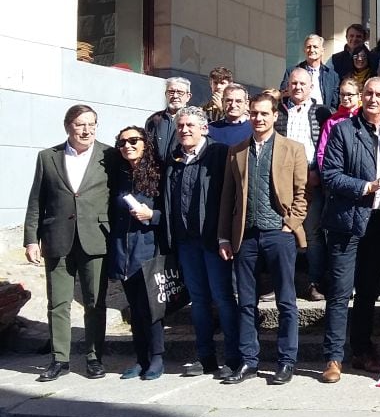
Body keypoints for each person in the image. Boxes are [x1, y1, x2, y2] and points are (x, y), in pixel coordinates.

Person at [320, 77, 380, 381]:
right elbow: (329, 175)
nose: (372, 98)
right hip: (347, 222)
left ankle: (362, 350)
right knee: (340, 292)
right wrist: (366, 186)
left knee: (368, 292)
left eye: (378, 95)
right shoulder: (344, 130)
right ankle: (333, 357)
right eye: (368, 93)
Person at [218, 92, 309, 385]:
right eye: (254, 113)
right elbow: (227, 197)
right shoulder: (237, 151)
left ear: (274, 116)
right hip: (245, 236)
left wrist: (291, 223)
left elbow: (301, 194)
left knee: (286, 301)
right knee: (246, 302)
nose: (258, 118)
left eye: (264, 114)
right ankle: (248, 361)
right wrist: (223, 237)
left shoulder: (292, 149)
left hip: (279, 235)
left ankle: (286, 361)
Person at [24, 105, 116, 382]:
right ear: (68, 127)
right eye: (80, 125)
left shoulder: (109, 155)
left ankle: (94, 357)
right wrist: (31, 240)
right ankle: (59, 359)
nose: (87, 130)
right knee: (58, 303)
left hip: (96, 237)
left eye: (92, 124)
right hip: (57, 238)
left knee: (94, 301)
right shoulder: (47, 157)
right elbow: (36, 202)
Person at [162, 106, 239, 380]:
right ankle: (205, 357)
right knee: (198, 301)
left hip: (214, 242)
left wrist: (225, 236)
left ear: (204, 128)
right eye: (180, 126)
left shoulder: (219, 154)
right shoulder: (174, 159)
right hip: (186, 242)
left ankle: (233, 358)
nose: (184, 130)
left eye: (190, 126)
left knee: (224, 299)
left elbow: (231, 198)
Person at [108, 126, 165, 381]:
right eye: (122, 143)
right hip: (124, 250)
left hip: (148, 248)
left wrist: (151, 215)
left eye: (133, 140)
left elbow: (171, 214)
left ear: (145, 143)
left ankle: (157, 359)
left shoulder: (158, 175)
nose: (127, 146)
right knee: (135, 309)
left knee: (151, 308)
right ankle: (140, 359)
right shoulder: (119, 175)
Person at [276, 68, 333, 302]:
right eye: (294, 83)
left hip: (311, 179)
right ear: (287, 85)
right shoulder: (277, 111)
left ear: (311, 87)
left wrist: (317, 172)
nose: (298, 87)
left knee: (313, 234)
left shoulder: (322, 112)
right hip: (280, 181)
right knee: (281, 233)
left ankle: (315, 282)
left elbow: (326, 146)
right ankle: (281, 283)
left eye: (303, 83)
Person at [279, 34, 340, 109]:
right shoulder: (292, 72)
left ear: (322, 51)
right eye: (308, 47)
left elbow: (335, 103)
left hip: (323, 117)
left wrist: (328, 116)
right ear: (304, 50)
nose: (311, 50)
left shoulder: (332, 75)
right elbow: (283, 95)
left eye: (315, 47)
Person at [316, 77, 363, 170]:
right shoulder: (332, 121)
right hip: (337, 172)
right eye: (342, 94)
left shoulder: (366, 117)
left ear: (359, 96)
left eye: (349, 94)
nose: (345, 98)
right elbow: (322, 151)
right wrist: (326, 173)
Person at [146, 77, 192, 162]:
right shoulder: (154, 120)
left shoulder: (195, 119)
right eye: (171, 92)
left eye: (180, 92)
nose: (175, 96)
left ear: (188, 96)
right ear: (165, 95)